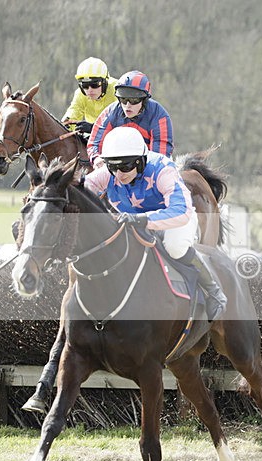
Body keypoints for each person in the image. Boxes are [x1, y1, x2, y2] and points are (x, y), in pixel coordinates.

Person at [85, 126, 226, 320]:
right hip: (134, 221)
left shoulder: (162, 169)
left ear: (140, 161)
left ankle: (214, 292)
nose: (119, 173)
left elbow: (181, 211)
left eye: (125, 166)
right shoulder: (111, 172)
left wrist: (142, 219)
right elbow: (82, 188)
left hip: (174, 220)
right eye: (113, 166)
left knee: (175, 247)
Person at [87, 70, 173, 168]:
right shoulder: (110, 112)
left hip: (148, 167)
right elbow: (94, 143)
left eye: (134, 100)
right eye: (123, 99)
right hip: (116, 166)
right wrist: (96, 158)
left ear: (144, 100)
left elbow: (159, 158)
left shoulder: (159, 116)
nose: (128, 106)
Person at [61, 57, 119, 136]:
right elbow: (74, 111)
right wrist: (66, 123)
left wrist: (94, 128)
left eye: (94, 84)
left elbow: (124, 123)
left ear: (105, 82)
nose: (90, 90)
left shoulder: (117, 90)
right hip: (92, 136)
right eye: (85, 85)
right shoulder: (80, 94)